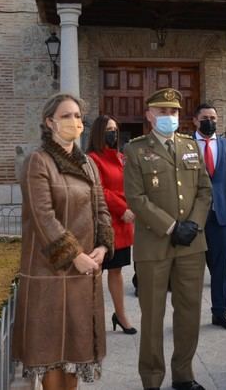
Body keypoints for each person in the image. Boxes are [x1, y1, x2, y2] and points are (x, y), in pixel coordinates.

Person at [13, 93, 114, 390]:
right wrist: (75, 255)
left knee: (75, 352)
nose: (75, 122)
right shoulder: (38, 162)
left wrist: (102, 247)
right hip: (50, 274)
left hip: (83, 274)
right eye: (66, 116)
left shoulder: (88, 164)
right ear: (49, 122)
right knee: (51, 355)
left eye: (78, 117)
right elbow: (43, 217)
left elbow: (101, 209)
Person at [123, 88, 212, 390]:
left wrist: (193, 225)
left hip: (191, 246)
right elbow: (136, 198)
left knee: (189, 313)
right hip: (154, 245)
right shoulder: (135, 150)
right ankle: (151, 379)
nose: (168, 117)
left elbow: (205, 190)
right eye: (162, 112)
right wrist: (173, 227)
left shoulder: (190, 146)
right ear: (148, 115)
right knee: (152, 316)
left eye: (173, 112)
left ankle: (184, 375)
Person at [192, 103, 226, 331]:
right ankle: (188, 316)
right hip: (193, 217)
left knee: (220, 269)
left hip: (221, 215)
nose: (209, 121)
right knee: (191, 270)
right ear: (195, 120)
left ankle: (220, 312)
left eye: (212, 117)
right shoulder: (185, 146)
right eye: (204, 117)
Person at [87, 114, 137, 335]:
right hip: (105, 221)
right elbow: (99, 189)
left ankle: (121, 315)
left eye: (115, 130)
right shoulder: (91, 159)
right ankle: (93, 319)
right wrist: (121, 207)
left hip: (124, 224)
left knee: (116, 272)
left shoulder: (120, 157)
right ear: (99, 132)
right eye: (109, 129)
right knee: (95, 272)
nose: (113, 133)